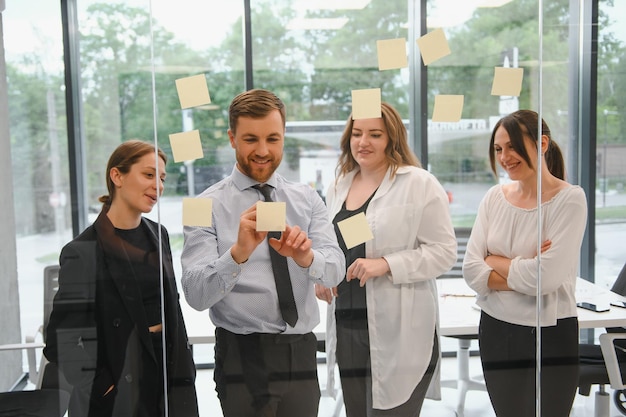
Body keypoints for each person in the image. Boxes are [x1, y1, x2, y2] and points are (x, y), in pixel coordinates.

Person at [180, 88, 345, 417]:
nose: (263, 150)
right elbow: (196, 294)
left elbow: (336, 270)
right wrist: (238, 253)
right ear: (232, 139)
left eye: (273, 138)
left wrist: (306, 258)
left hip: (301, 351)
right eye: (251, 139)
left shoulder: (307, 199)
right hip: (243, 354)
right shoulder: (201, 206)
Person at [315, 102, 457, 416]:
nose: (363, 142)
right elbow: (340, 246)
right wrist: (322, 275)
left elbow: (444, 252)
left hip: (401, 329)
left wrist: (387, 264)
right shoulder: (339, 185)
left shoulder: (418, 183)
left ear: (392, 139)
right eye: (357, 133)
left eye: (375, 134)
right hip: (349, 324)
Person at [43, 140, 199, 417]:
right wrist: (102, 385)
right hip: (119, 382)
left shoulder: (158, 234)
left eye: (162, 178)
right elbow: (60, 342)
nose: (158, 186)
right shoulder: (82, 250)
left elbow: (171, 308)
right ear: (117, 176)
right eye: (149, 175)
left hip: (168, 373)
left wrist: (186, 368)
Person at [462, 110, 588, 417]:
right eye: (498, 149)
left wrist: (496, 260)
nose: (505, 156)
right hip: (496, 328)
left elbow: (546, 280)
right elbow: (471, 270)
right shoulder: (494, 198)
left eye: (513, 146)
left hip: (551, 332)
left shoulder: (569, 199)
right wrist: (525, 265)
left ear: (542, 143)